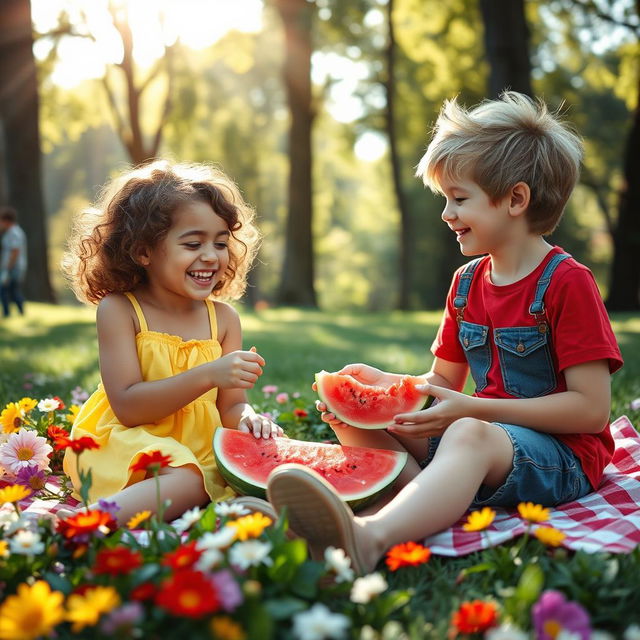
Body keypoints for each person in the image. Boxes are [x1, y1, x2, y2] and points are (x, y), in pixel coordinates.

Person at [266, 92, 623, 574]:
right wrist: (381, 380)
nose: (446, 214)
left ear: (516, 199)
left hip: (563, 458)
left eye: (459, 199)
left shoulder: (567, 282)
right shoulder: (465, 284)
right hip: (484, 440)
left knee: (469, 436)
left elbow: (591, 409)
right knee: (356, 417)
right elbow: (442, 384)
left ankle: (370, 538)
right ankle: (405, 503)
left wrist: (475, 410)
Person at [61, 160, 282, 525]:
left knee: (238, 479)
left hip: (198, 446)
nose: (211, 256)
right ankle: (79, 527)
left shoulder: (224, 320)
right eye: (193, 243)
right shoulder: (121, 310)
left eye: (221, 243)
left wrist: (249, 419)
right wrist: (210, 374)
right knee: (188, 479)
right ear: (143, 251)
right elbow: (129, 406)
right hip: (127, 440)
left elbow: (232, 406)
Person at [0, 206, 27, 317]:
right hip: (12, 267)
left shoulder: (14, 233)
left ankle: (9, 313)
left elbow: (15, 251)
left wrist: (7, 268)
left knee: (7, 290)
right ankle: (19, 312)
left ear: (6, 220)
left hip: (13, 268)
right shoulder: (12, 232)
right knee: (12, 291)